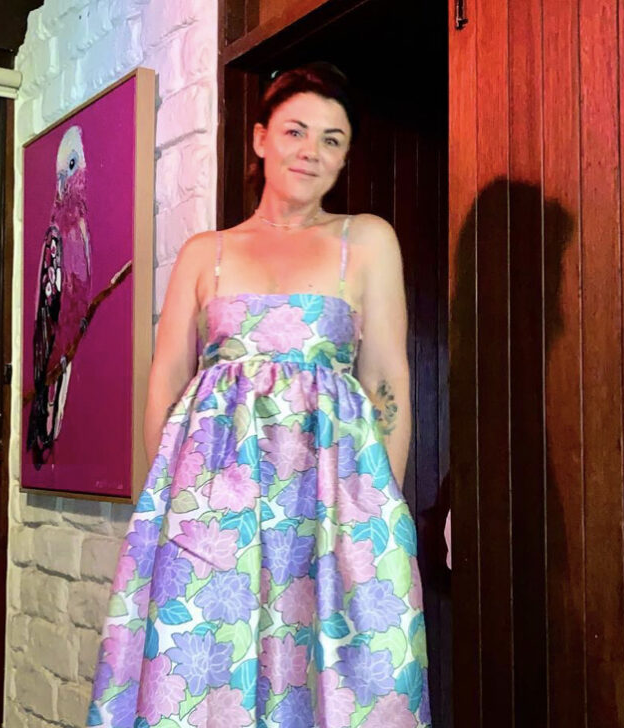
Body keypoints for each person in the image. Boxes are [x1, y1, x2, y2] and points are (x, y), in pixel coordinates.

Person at [86, 63, 431, 728]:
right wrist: (160, 510)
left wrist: (384, 515)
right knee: (208, 667)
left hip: (331, 496)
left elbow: (388, 378)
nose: (312, 150)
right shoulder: (204, 252)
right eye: (296, 130)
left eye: (332, 140)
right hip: (213, 501)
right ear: (260, 138)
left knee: (338, 671)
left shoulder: (366, 241)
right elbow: (165, 379)